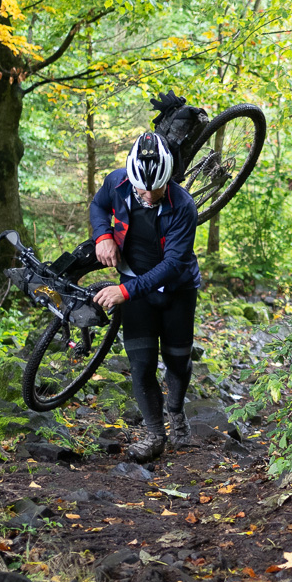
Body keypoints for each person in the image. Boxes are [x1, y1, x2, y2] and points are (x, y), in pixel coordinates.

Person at [91, 130, 201, 461]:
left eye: (157, 189)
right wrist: (102, 236)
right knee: (141, 364)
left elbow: (172, 265)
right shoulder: (116, 182)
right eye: (143, 189)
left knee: (178, 361)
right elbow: (98, 206)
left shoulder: (184, 207)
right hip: (134, 287)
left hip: (177, 289)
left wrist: (124, 290)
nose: (149, 196)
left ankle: (176, 413)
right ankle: (155, 434)